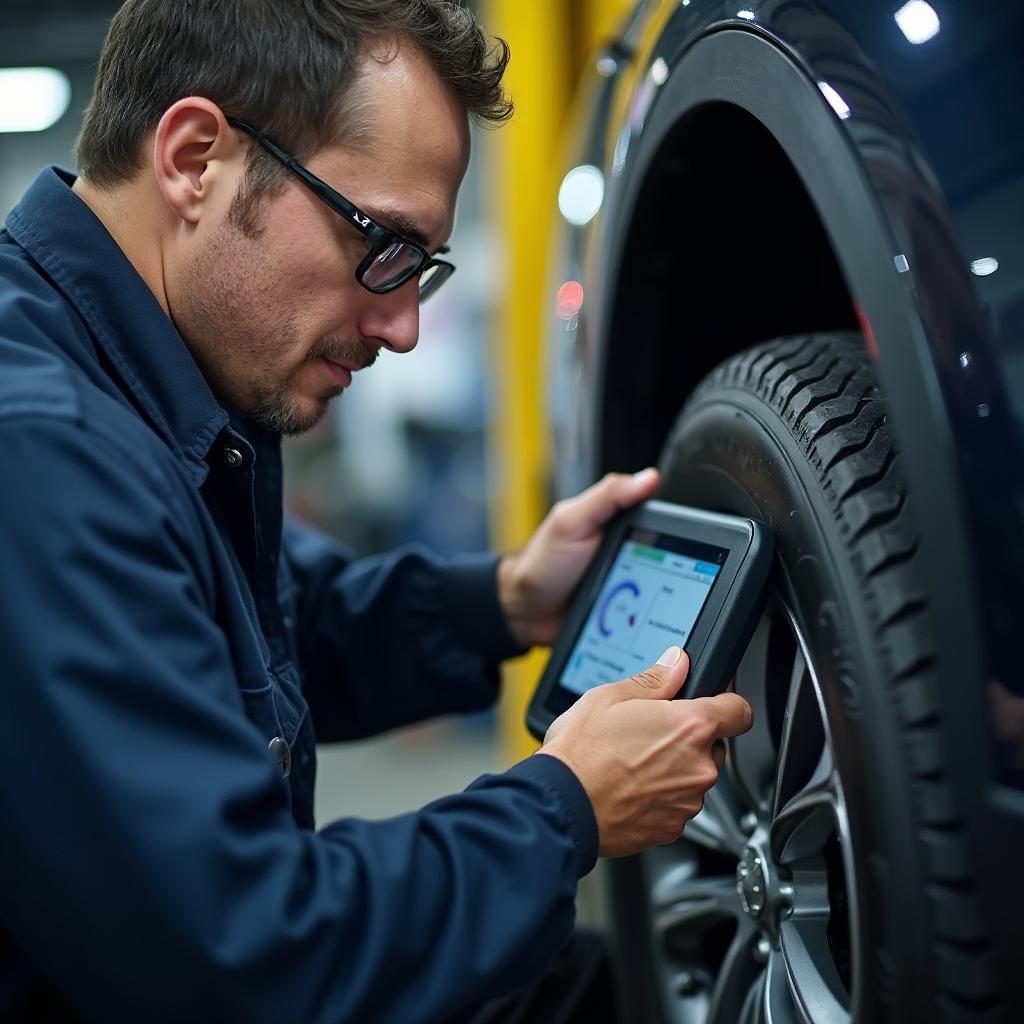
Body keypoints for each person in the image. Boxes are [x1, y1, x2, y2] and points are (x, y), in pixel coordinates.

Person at [0, 1, 753, 1020]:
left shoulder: (149, 386)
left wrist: (504, 601)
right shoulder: (42, 452)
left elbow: (251, 625)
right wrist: (561, 806)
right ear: (192, 158)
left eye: (423, 268)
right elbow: (243, 959)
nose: (403, 326)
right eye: (383, 243)